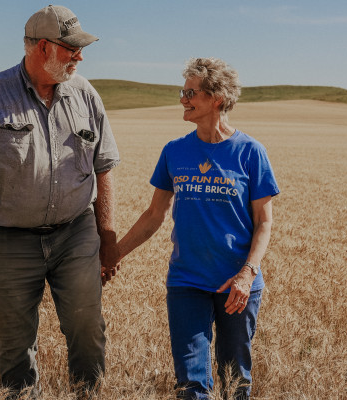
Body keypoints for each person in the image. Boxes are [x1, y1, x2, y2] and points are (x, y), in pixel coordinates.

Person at [0, 5, 120, 398]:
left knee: (88, 326)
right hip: (7, 241)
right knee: (15, 342)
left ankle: (88, 393)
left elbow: (104, 167)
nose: (80, 56)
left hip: (75, 234)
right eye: (72, 48)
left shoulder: (85, 94)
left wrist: (107, 236)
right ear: (42, 49)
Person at [113, 57, 279, 400]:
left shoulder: (251, 152)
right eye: (182, 91)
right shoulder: (175, 151)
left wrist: (247, 274)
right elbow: (154, 215)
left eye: (190, 92)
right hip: (186, 281)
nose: (183, 99)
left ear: (216, 98)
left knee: (236, 382)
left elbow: (265, 223)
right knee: (190, 383)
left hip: (237, 284)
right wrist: (114, 253)